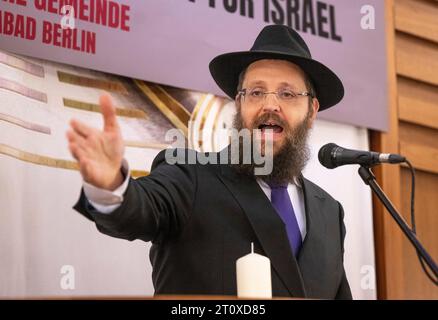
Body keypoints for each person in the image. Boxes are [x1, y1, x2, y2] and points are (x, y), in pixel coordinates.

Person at [67, 25, 352, 299]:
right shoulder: (190, 176)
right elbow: (139, 210)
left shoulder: (329, 212)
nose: (269, 105)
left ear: (312, 110)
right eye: (255, 92)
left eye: (287, 94)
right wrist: (111, 184)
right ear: (239, 105)